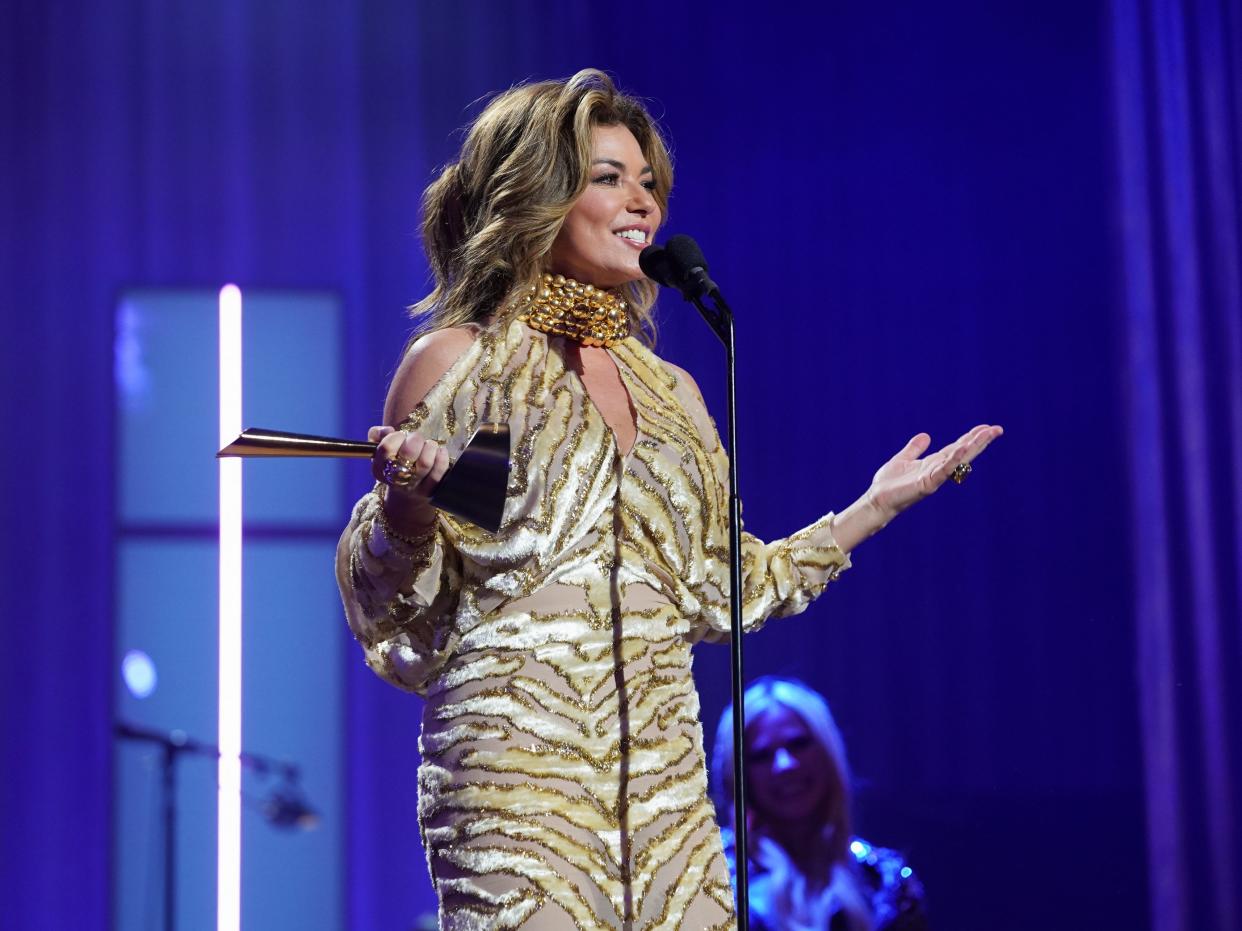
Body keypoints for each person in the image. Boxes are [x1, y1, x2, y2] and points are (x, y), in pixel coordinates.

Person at [336, 69, 1001, 930]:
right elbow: (397, 608)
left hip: (667, 796)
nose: (641, 201)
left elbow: (721, 585)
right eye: (608, 177)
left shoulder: (675, 394)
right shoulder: (456, 362)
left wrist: (872, 508)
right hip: (516, 778)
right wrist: (407, 507)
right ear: (537, 192)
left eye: (648, 181)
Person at [715, 678, 929, 931]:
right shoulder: (712, 881)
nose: (785, 766)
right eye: (761, 756)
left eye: (798, 744)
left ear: (828, 752)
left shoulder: (884, 881)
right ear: (738, 776)